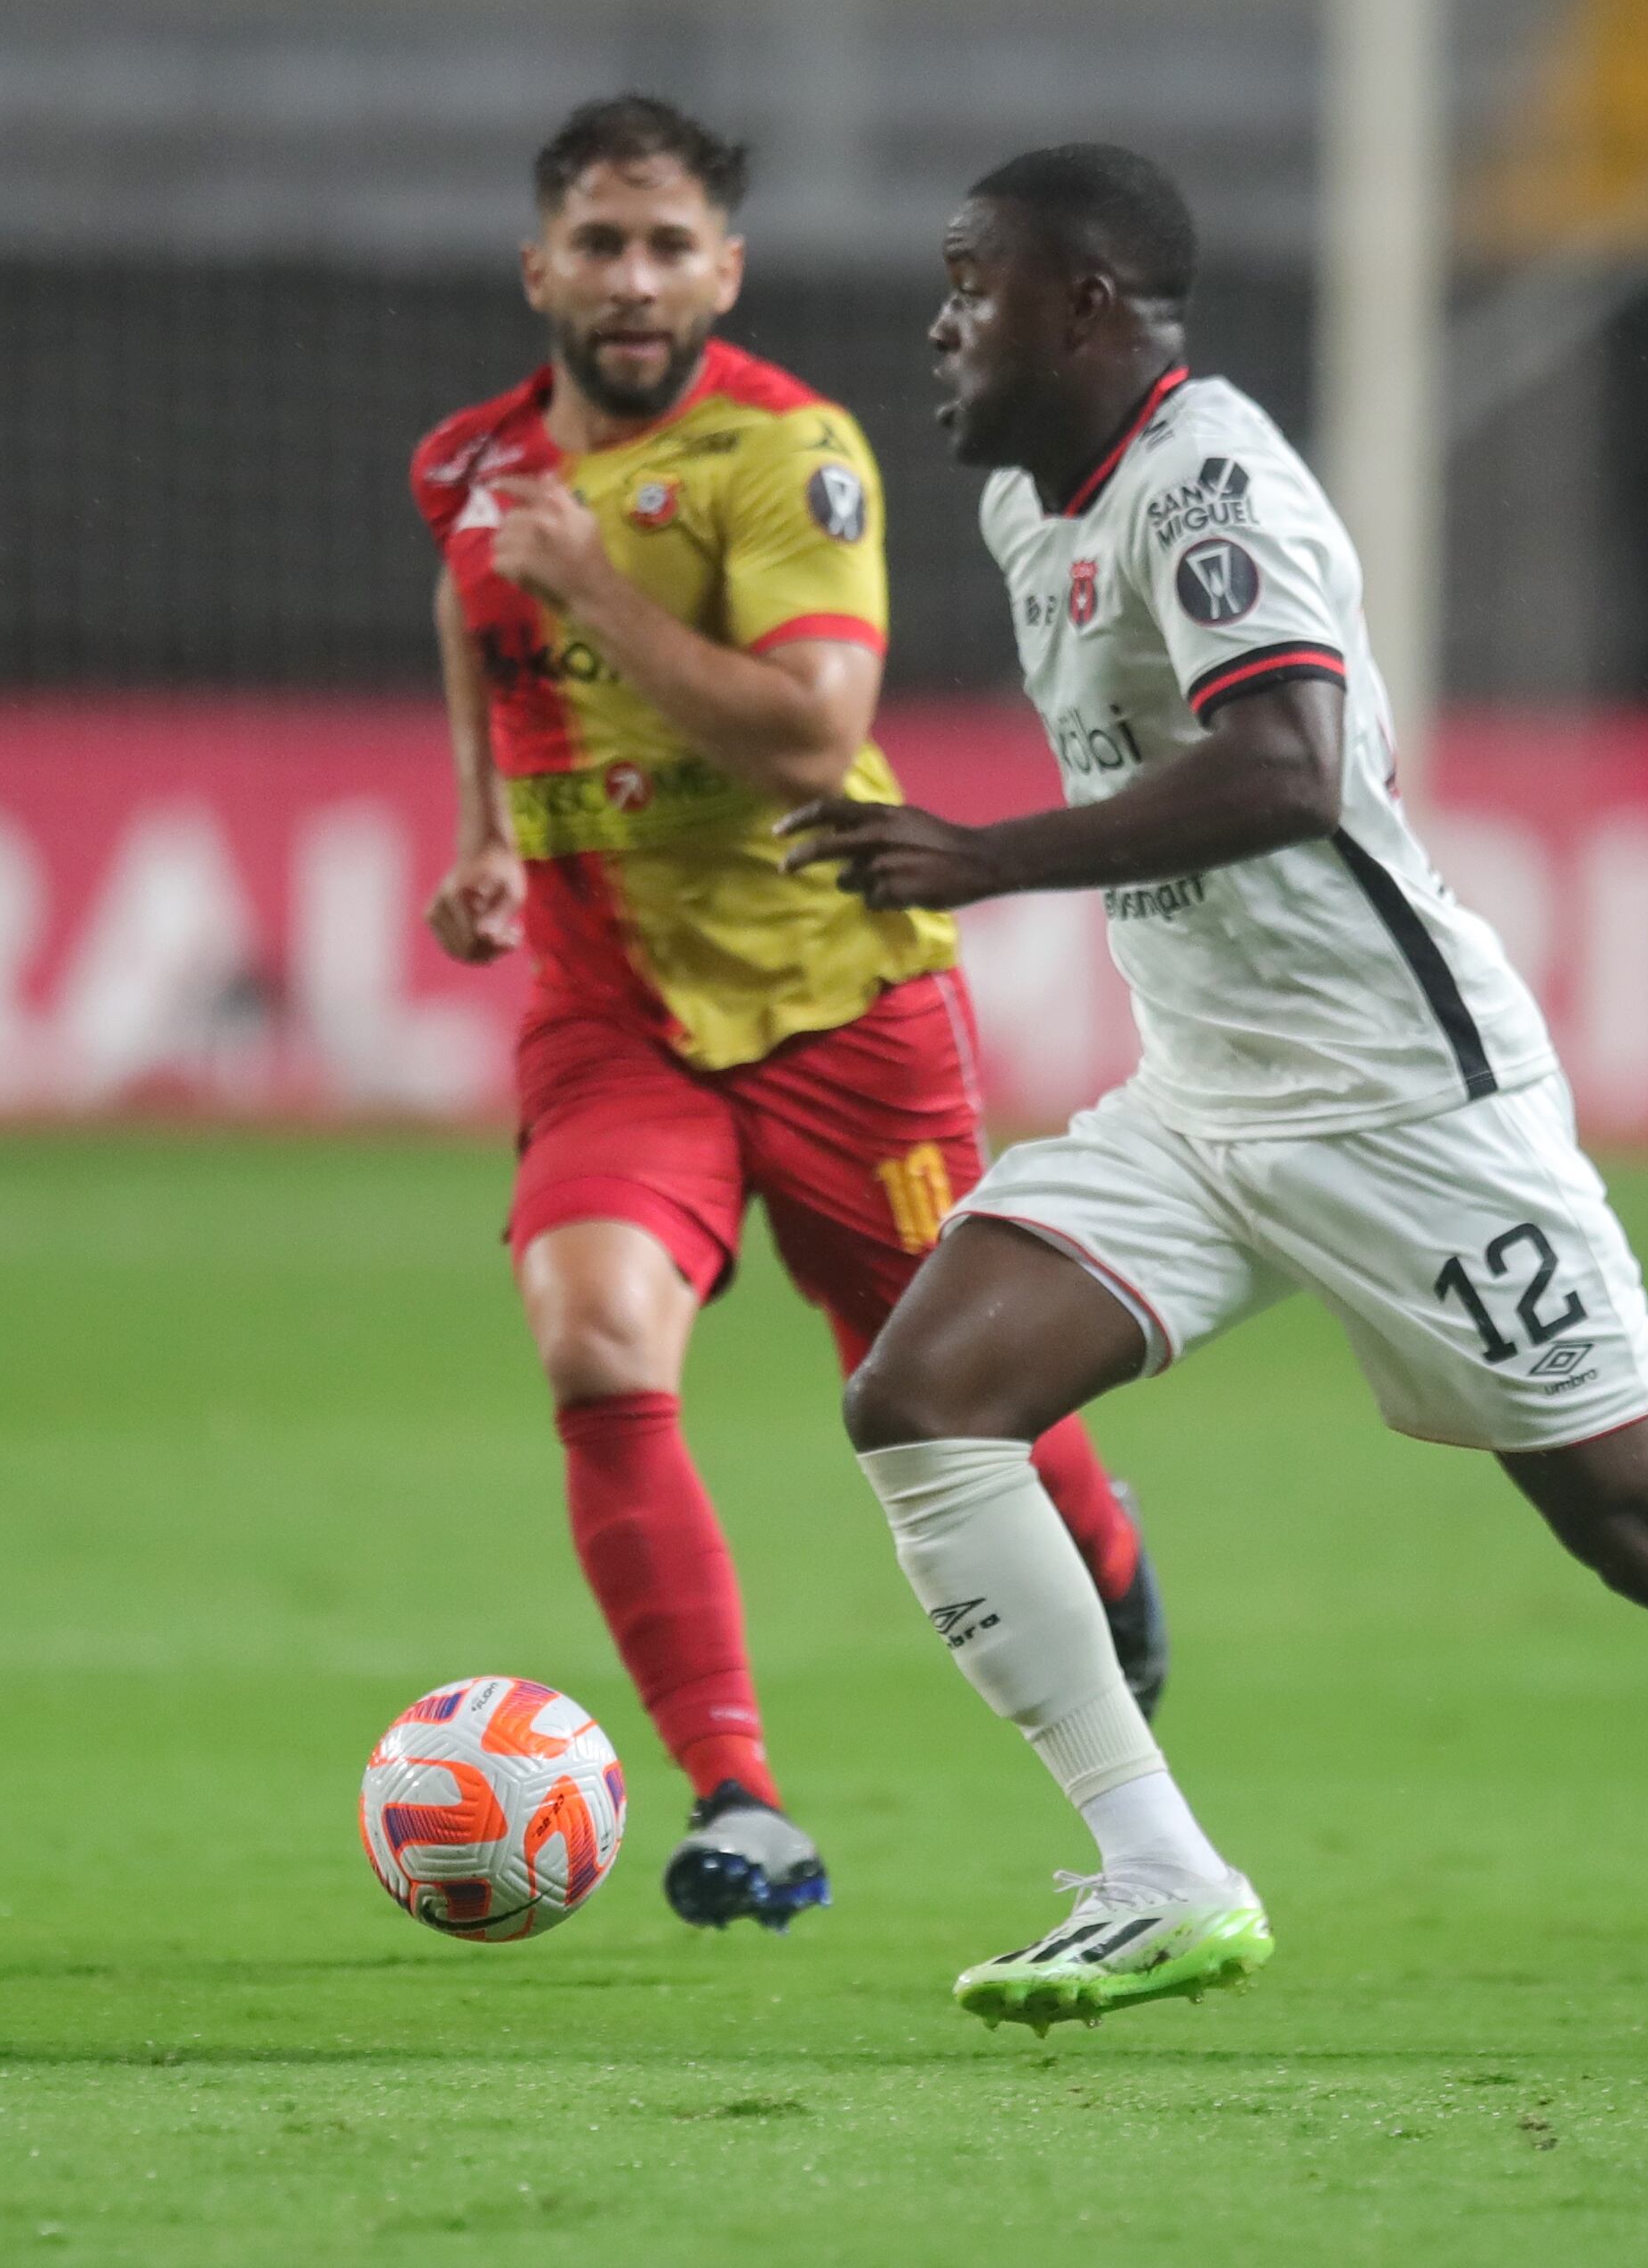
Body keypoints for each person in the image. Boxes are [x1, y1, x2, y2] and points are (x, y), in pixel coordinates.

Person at [783, 142, 1648, 2054]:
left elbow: (1287, 764)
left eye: (973, 280)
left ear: (1090, 303)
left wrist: (986, 857)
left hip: (1398, 1099)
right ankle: (1162, 1874)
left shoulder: (1215, 488)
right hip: (1207, 1097)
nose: (941, 321)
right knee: (926, 1395)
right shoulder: (1042, 512)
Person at [409, 98, 1167, 1930]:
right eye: (602, 242)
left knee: (940, 1390)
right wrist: (485, 833)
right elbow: (479, 622)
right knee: (594, 1339)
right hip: (615, 1015)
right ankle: (735, 1793)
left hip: (844, 998)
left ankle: (1106, 1543)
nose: (636, 277)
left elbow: (816, 731)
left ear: (724, 271)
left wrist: (594, 577)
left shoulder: (786, 451)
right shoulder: (468, 466)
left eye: (672, 244)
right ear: (544, 269)